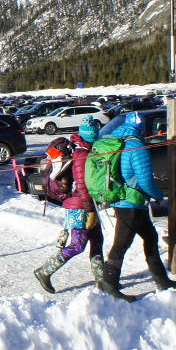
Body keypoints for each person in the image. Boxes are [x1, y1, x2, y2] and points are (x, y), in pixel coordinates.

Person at [99, 111, 176, 300]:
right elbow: (145, 179)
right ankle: (109, 286)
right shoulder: (136, 146)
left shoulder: (117, 142)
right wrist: (158, 195)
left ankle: (163, 281)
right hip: (131, 203)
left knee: (150, 237)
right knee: (121, 244)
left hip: (126, 200)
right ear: (141, 127)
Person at [32, 116, 110, 294]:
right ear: (91, 135)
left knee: (97, 240)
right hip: (79, 206)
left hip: (87, 204)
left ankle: (101, 281)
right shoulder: (81, 154)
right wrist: (90, 210)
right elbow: (82, 185)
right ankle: (44, 271)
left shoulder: (85, 150)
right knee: (78, 244)